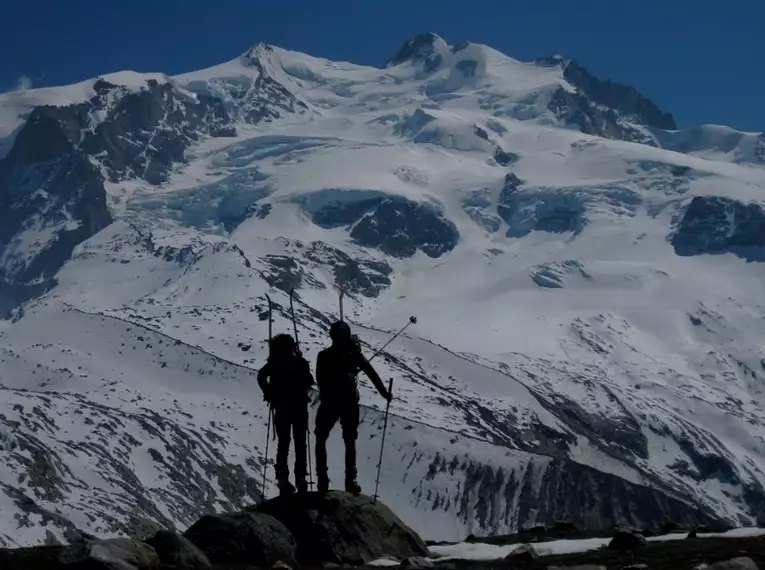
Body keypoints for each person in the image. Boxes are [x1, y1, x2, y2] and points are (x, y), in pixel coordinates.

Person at [314, 320, 392, 494]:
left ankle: (324, 478)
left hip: (332, 401)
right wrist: (384, 393)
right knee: (347, 440)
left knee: (324, 437)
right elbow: (371, 373)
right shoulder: (353, 355)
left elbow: (320, 380)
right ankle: (349, 479)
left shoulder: (326, 355)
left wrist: (384, 393)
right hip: (345, 401)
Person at [257, 333, 314, 495]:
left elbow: (261, 376)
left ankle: (283, 479)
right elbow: (309, 381)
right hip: (299, 408)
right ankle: (301, 478)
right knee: (300, 443)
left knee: (284, 444)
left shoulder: (274, 363)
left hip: (282, 407)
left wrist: (268, 391)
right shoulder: (300, 362)